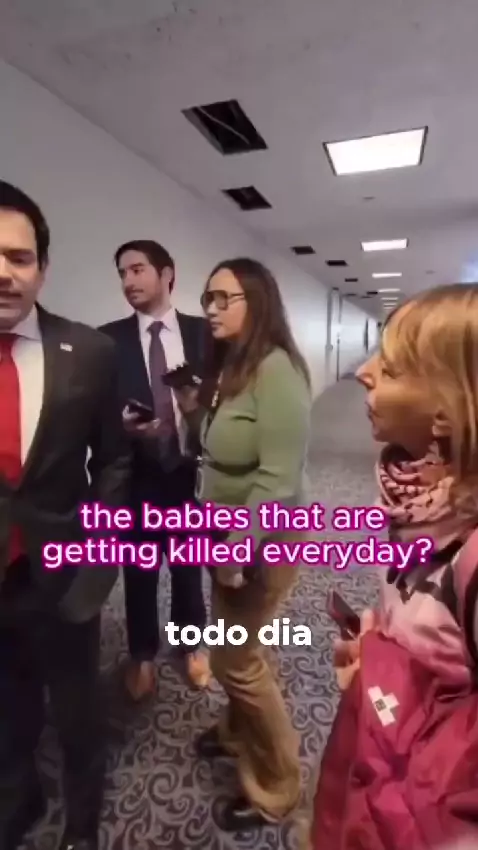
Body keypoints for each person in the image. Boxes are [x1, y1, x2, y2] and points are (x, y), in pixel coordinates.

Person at [311, 284, 478, 849]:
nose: (363, 372)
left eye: (392, 366)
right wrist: (380, 645)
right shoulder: (419, 503)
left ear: (447, 411)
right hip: (380, 755)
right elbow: (423, 617)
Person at [0, 181, 131, 850]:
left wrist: (96, 569)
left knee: (78, 713)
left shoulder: (91, 353)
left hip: (64, 575)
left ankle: (82, 823)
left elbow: (115, 464)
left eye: (18, 257)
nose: (3, 272)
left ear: (42, 269)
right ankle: (17, 803)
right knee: (9, 705)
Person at [178, 258, 311, 832]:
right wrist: (192, 413)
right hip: (223, 530)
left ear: (256, 303)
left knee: (236, 661)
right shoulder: (233, 365)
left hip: (262, 539)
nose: (209, 309)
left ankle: (279, 786)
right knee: (234, 636)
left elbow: (278, 478)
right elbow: (217, 450)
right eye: (206, 299)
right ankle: (236, 733)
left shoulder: (278, 370)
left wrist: (239, 547)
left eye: (222, 299)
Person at [100, 240, 210, 699]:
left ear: (167, 274)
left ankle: (192, 644)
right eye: (122, 273)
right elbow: (96, 413)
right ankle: (142, 654)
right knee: (139, 570)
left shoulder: (205, 334)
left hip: (192, 474)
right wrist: (121, 427)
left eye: (138, 269)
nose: (128, 281)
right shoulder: (107, 341)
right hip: (138, 477)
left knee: (188, 566)